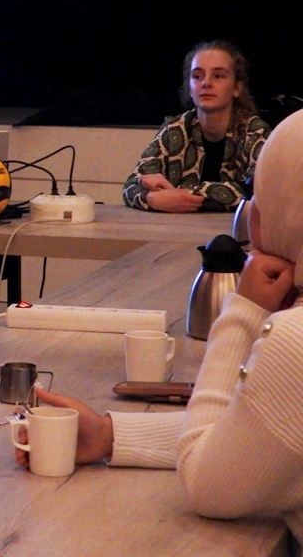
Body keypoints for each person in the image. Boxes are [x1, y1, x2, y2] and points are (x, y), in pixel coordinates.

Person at [16, 107, 303, 546]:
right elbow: (256, 440)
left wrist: (242, 314)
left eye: (258, 196)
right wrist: (111, 435)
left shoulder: (295, 341)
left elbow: (207, 482)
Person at [122, 40, 268, 213]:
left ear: (237, 88)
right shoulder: (174, 128)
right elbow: (132, 185)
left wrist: (178, 195)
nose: (206, 83)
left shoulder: (254, 131)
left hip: (233, 228)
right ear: (190, 89)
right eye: (197, 76)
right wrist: (152, 198)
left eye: (218, 76)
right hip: (179, 227)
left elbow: (259, 188)